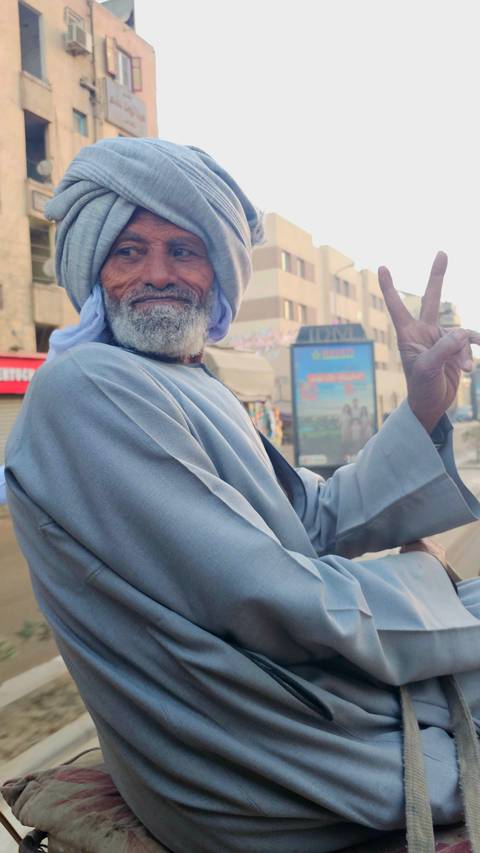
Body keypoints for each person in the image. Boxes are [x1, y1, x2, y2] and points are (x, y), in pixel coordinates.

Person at [4, 137, 480, 853]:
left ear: (216, 271)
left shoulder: (191, 383)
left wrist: (418, 407)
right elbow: (262, 593)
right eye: (128, 250)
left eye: (183, 250)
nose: (157, 274)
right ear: (92, 264)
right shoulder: (85, 388)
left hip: (285, 705)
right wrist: (440, 593)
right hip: (250, 753)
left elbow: (310, 519)